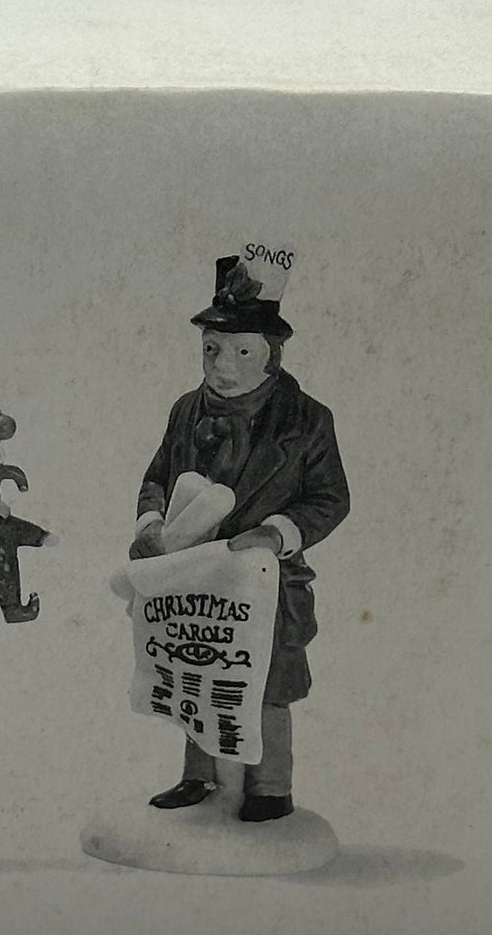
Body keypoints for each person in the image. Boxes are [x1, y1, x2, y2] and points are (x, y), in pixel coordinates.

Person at [128, 253, 350, 821]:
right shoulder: (186, 410)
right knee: (196, 669)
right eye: (212, 349)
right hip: (194, 574)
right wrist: (151, 524)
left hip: (267, 582)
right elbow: (157, 477)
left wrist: (277, 533)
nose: (223, 366)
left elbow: (330, 498)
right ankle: (198, 774)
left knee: (268, 682)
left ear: (273, 354)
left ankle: (270, 787)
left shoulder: (308, 419)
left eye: (242, 352)